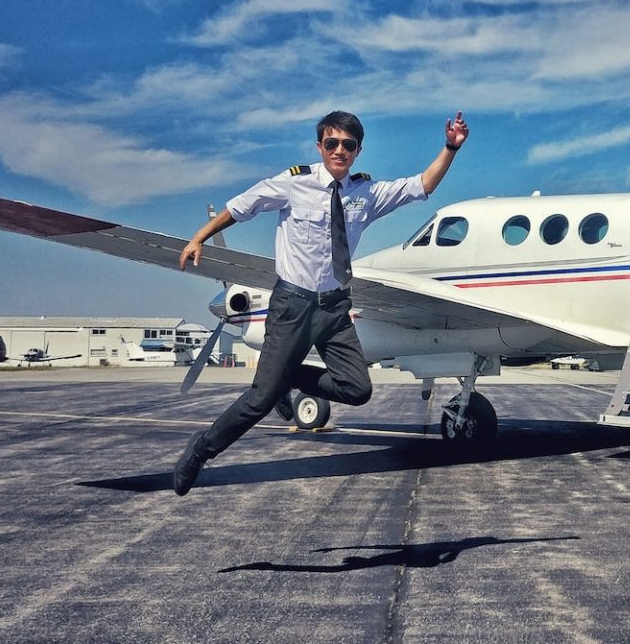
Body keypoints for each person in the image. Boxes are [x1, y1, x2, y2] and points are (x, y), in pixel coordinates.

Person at [171, 109, 469, 495]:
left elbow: (422, 185)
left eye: (348, 145)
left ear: (358, 150)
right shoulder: (294, 184)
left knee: (357, 389)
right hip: (292, 305)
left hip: (334, 309)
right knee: (260, 399)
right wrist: (200, 237)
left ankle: (290, 377)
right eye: (332, 143)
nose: (339, 151)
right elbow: (241, 206)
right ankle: (201, 450)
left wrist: (450, 147)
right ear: (320, 146)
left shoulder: (366, 193)